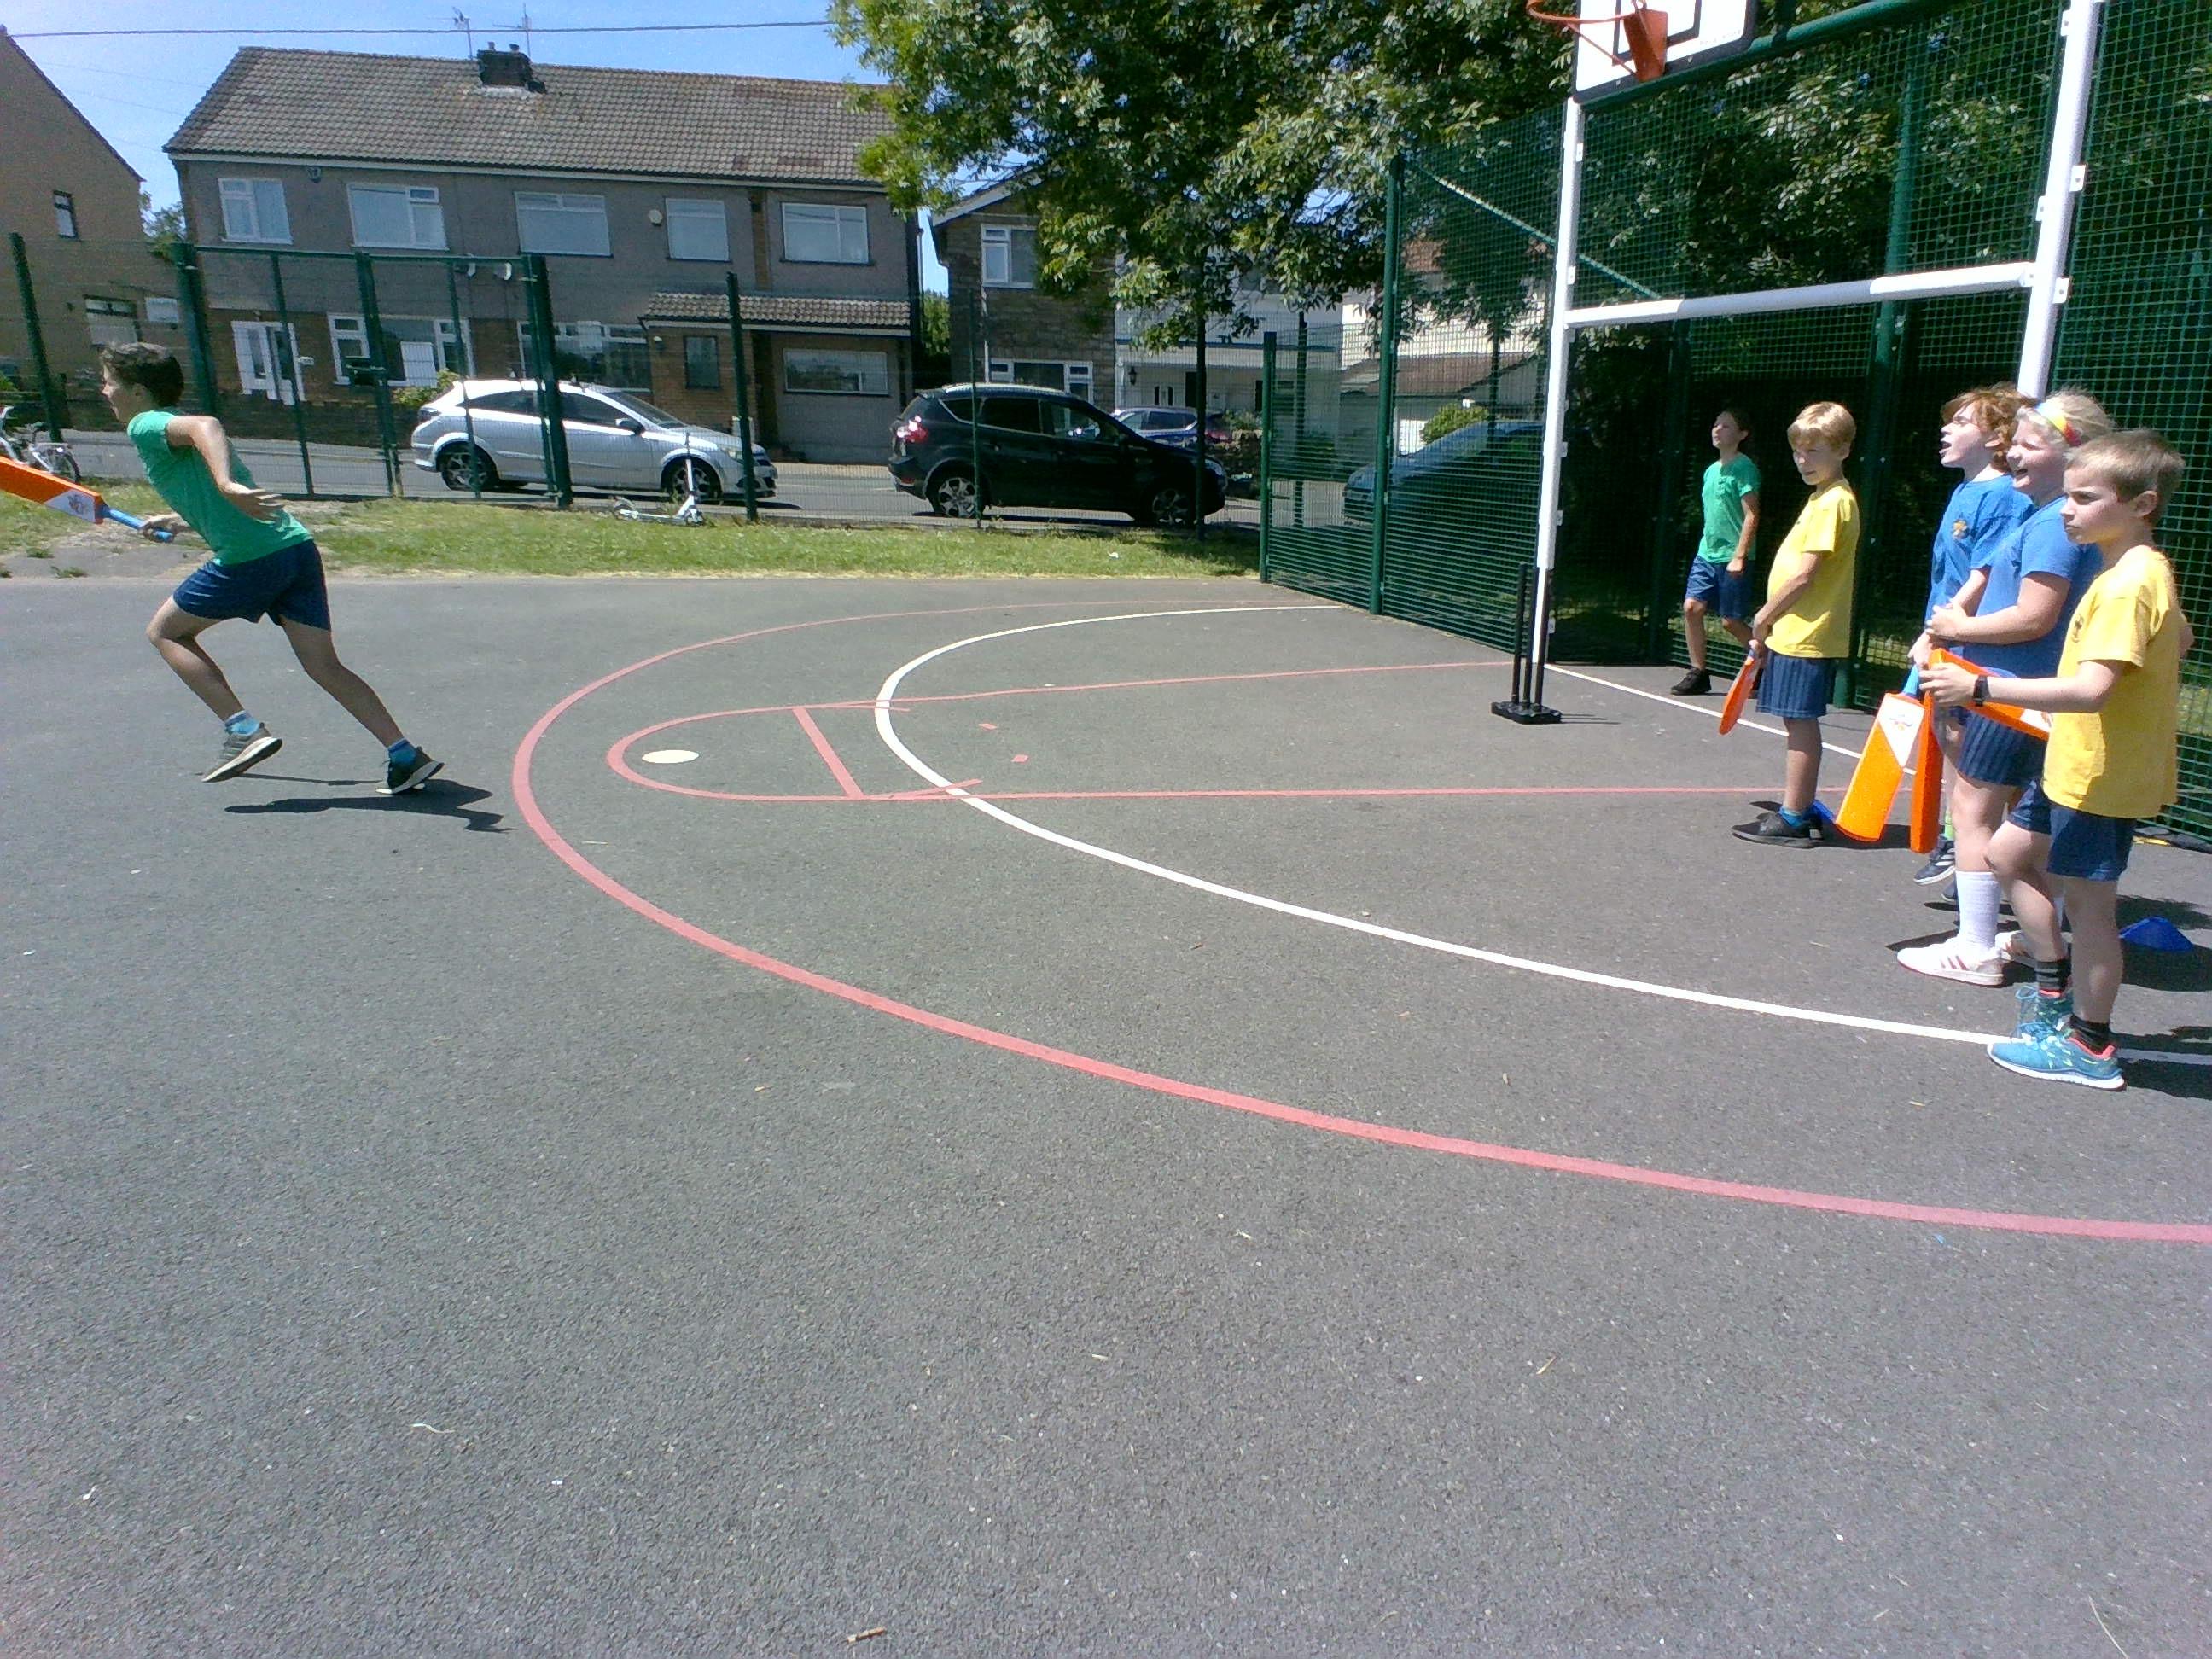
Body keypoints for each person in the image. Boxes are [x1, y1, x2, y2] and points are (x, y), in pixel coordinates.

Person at [1922, 429, 2192, 1090]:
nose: (2067, 510)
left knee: (2092, 911)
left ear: (2142, 504)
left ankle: (2090, 1046)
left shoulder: (2127, 584)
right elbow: (2180, 639)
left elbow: (2093, 689)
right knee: (2008, 856)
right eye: (2068, 496)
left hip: (2100, 773)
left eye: (2085, 498)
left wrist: (1980, 689)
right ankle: (2053, 995)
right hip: (2074, 758)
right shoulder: (2136, 569)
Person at [98, 343, 439, 794]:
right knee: (323, 664)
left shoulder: (145, 424)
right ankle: (404, 755)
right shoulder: (166, 427)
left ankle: (243, 730)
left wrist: (226, 483)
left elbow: (206, 425)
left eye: (110, 382)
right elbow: (209, 483)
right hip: (293, 547)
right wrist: (183, 520)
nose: (105, 391)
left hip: (251, 558)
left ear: (139, 391)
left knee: (165, 633)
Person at [1897, 393, 2111, 985]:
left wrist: (1957, 629)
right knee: (2027, 824)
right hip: (2022, 693)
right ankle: (2031, 932)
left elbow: (2034, 616)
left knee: (1973, 812)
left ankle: (1976, 947)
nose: (2012, 452)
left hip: (2008, 693)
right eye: (2013, 442)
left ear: (2074, 457)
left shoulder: (2054, 527)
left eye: (2029, 445)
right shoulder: (2050, 517)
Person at [1905, 385, 2033, 887]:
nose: (1946, 428)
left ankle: (1979, 846)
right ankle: (1966, 839)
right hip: (1945, 634)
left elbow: (1985, 573)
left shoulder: (2003, 496)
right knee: (1949, 733)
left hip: (1969, 640)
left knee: (1972, 747)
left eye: (1961, 422)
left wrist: (1936, 634)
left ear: (1997, 437)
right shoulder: (1965, 490)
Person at [1732, 402, 1858, 847]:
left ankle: (1795, 815)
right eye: (1798, 451)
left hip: (1806, 633)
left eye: (1814, 451)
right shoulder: (1822, 497)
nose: (1803, 460)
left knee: (1800, 723)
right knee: (1794, 721)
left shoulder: (1833, 502)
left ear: (1843, 450)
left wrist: (1764, 616)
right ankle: (1800, 805)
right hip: (1795, 631)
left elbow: (1806, 575)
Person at [1670, 407, 1760, 696]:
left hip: (1733, 557)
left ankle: (1765, 663)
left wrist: (1739, 555)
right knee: (1691, 608)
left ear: (1742, 434)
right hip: (1706, 554)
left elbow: (1752, 515)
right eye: (1716, 424)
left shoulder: (1745, 468)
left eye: (1726, 426)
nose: (1718, 430)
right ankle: (1698, 672)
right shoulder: (1710, 471)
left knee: (1731, 621)